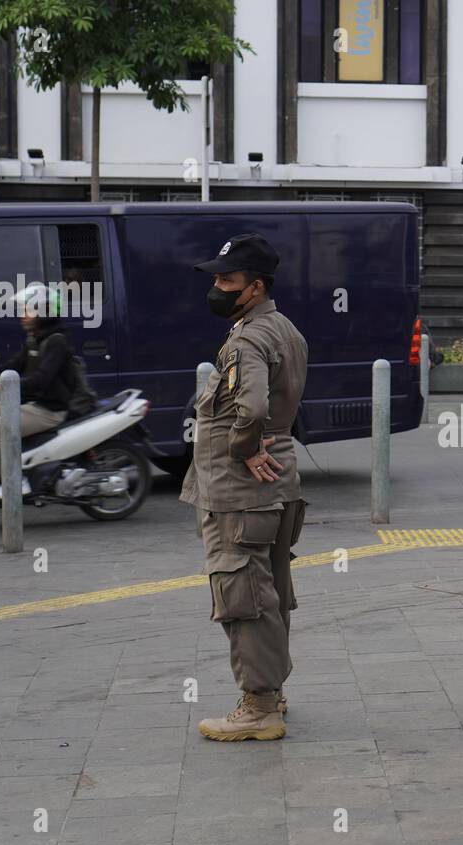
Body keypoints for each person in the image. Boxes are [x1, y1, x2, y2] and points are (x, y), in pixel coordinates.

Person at [183, 232, 308, 743]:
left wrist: (243, 447)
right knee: (269, 592)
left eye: (226, 279)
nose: (216, 286)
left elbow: (252, 408)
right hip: (278, 485)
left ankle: (258, 707)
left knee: (244, 596)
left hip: (242, 492)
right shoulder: (284, 329)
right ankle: (270, 692)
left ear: (254, 287)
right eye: (215, 277)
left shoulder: (248, 339)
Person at [0, 284, 72, 494]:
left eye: (28, 310)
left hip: (48, 410)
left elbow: (42, 379)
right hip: (28, 404)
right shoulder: (34, 340)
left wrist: (0, 385)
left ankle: (15, 480)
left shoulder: (56, 342)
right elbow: (13, 366)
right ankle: (1, 465)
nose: (23, 315)